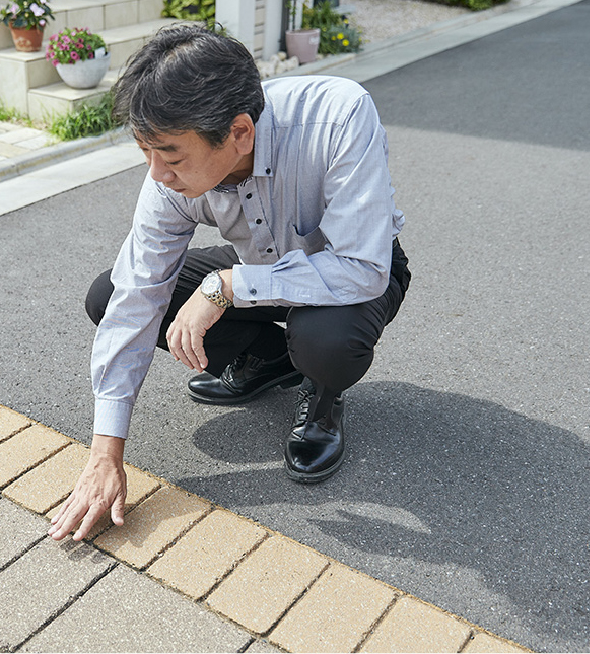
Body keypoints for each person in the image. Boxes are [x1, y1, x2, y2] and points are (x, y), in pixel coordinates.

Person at [48, 24, 410, 542]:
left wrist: (226, 287)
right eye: (145, 152)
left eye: (171, 157)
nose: (156, 175)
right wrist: (105, 455)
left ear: (240, 132)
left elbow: (361, 267)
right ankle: (270, 360)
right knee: (107, 297)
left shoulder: (338, 115)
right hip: (254, 262)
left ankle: (322, 393)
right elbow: (136, 296)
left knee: (324, 342)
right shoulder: (167, 176)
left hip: (353, 270)